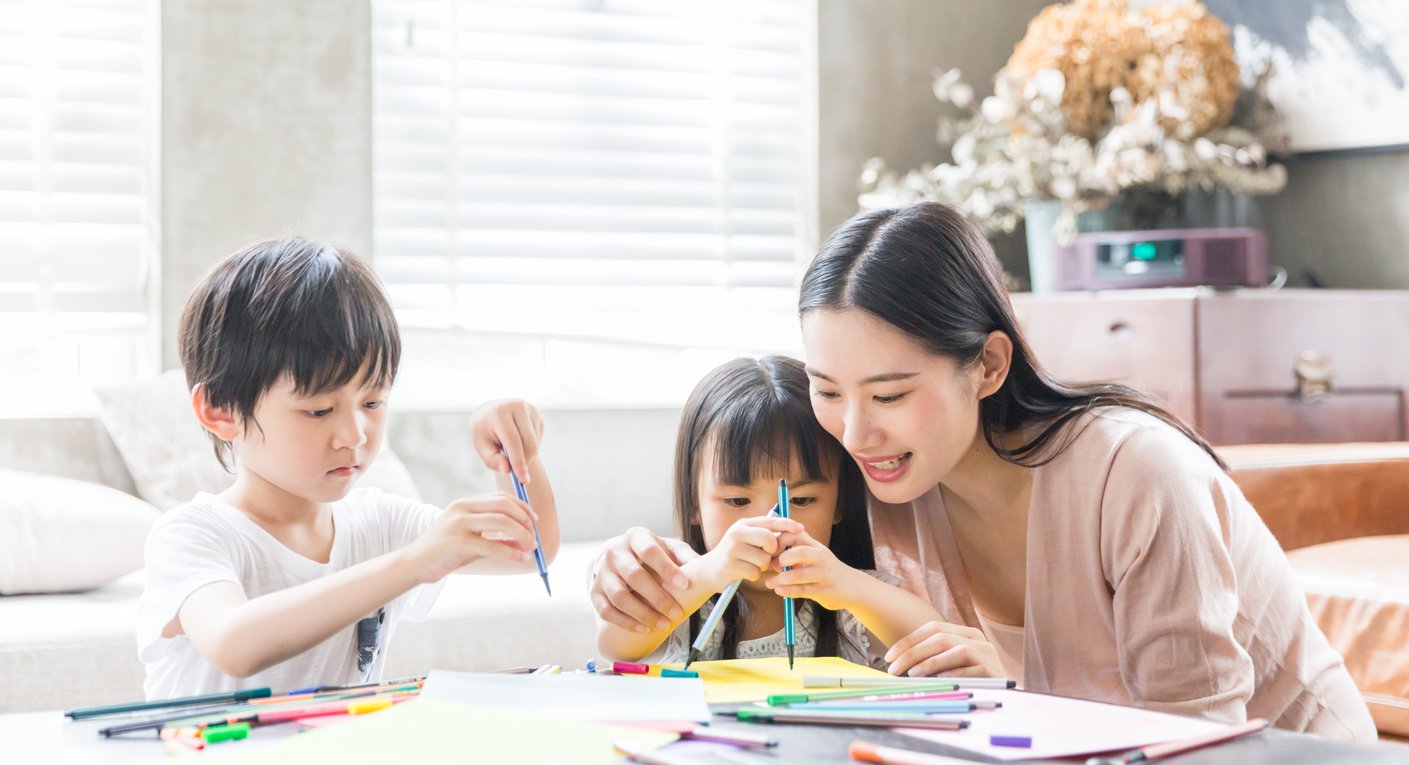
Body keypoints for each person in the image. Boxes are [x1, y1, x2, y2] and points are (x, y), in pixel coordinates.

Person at [588, 203, 1375, 741]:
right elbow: (746, 534)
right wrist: (635, 567)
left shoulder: (1136, 474)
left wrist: (1007, 696)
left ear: (989, 363)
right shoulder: (883, 477)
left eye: (889, 393)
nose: (855, 431)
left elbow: (1194, 738)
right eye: (828, 391)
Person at [137, 236, 559, 699]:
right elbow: (232, 643)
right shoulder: (193, 535)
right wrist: (414, 563)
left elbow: (529, 550)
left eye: (373, 401)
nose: (356, 434)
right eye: (319, 410)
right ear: (221, 410)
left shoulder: (378, 522)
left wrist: (516, 452)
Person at [596, 356, 943, 667]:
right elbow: (615, 645)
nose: (771, 527)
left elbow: (936, 641)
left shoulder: (850, 599)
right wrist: (709, 573)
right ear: (693, 504)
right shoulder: (680, 587)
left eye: (803, 501)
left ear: (839, 503)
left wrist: (846, 583)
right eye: (736, 502)